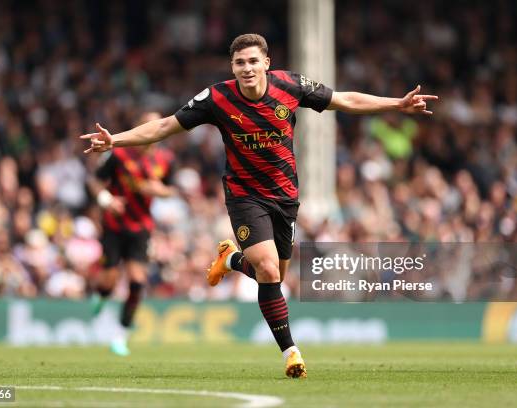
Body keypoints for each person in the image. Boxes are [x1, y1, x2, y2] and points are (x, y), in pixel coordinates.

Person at [81, 33, 438, 376]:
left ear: (266, 62)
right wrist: (116, 141)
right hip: (244, 196)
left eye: (253, 60)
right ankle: (291, 353)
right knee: (268, 270)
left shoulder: (291, 86)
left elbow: (344, 100)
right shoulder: (216, 98)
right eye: (239, 62)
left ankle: (232, 259)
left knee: (276, 276)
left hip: (285, 198)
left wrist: (397, 104)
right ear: (232, 66)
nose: (247, 68)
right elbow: (165, 126)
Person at [89, 111, 176, 356]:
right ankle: (102, 294)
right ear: (139, 127)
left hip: (141, 228)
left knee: (137, 282)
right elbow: (95, 181)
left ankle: (120, 336)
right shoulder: (118, 154)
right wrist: (106, 200)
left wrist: (160, 191)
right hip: (114, 225)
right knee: (109, 279)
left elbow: (171, 189)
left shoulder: (165, 159)